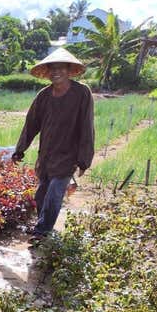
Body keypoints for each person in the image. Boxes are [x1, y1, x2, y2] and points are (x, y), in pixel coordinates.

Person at [12, 47, 95, 243]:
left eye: (61, 68)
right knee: (41, 195)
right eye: (52, 69)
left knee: (54, 195)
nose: (56, 72)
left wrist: (84, 160)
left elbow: (87, 127)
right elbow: (31, 124)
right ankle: (43, 227)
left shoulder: (82, 93)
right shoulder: (44, 96)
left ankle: (42, 231)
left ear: (69, 70)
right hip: (47, 155)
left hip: (68, 156)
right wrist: (20, 150)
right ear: (47, 72)